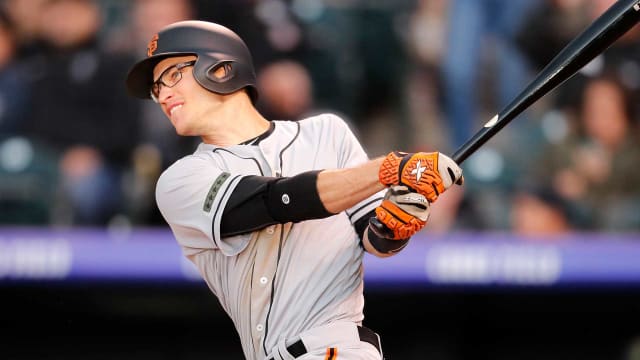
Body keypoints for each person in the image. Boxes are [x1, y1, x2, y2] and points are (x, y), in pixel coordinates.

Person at [125, 20, 463, 360]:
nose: (162, 94)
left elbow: (377, 239)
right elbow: (277, 200)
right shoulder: (180, 179)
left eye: (171, 75)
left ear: (221, 68)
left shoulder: (326, 132)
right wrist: (389, 169)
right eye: (156, 88)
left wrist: (398, 219)